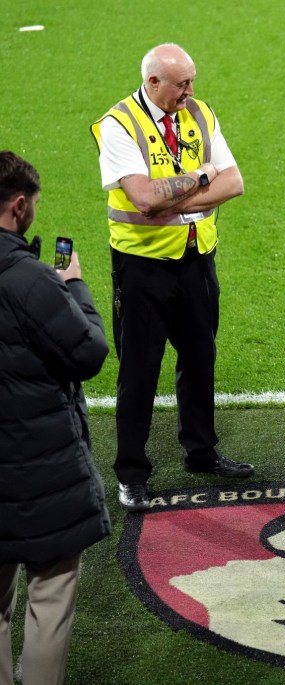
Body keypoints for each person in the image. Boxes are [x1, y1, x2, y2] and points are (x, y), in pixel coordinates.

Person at [91, 43, 253, 512]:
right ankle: (131, 474)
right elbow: (143, 199)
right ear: (152, 82)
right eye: (181, 83)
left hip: (197, 257)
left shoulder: (199, 114)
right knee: (138, 371)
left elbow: (235, 182)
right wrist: (203, 179)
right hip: (142, 267)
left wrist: (178, 196)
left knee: (200, 357)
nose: (190, 91)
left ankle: (201, 452)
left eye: (192, 81)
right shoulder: (118, 125)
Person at [0, 151, 111, 685]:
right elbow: (87, 353)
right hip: (38, 469)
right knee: (50, 596)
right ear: (18, 207)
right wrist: (74, 287)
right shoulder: (28, 280)